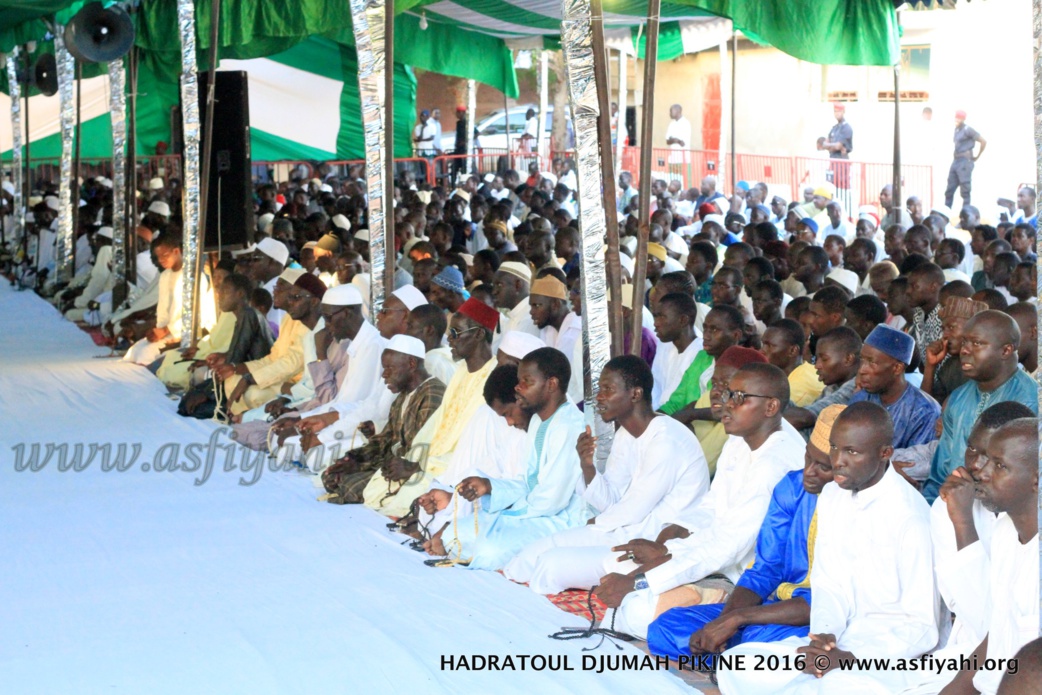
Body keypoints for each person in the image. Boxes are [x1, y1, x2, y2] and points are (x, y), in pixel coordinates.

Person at [717, 402, 939, 695]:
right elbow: (829, 585)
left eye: (852, 452)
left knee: (823, 688)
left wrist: (848, 658)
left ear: (885, 453)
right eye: (835, 448)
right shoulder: (833, 494)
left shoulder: (911, 517)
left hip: (888, 655)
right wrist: (824, 637)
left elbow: (923, 626)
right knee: (736, 664)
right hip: (839, 639)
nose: (838, 461)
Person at [594, 363, 805, 640]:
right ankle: (683, 595)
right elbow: (712, 508)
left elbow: (728, 547)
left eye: (739, 397)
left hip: (746, 579)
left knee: (637, 611)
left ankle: (712, 600)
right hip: (715, 555)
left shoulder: (775, 464)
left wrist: (641, 580)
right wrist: (670, 543)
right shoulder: (742, 438)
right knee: (615, 564)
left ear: (771, 407)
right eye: (727, 394)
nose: (726, 404)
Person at [648, 405, 844, 661]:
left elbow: (827, 603)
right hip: (774, 608)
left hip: (816, 619)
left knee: (758, 641)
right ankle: (739, 659)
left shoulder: (856, 509)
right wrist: (723, 623)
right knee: (666, 628)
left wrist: (738, 619)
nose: (808, 471)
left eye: (823, 467)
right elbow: (764, 569)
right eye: (808, 458)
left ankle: (741, 659)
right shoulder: (792, 487)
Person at [502, 355, 710, 594]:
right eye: (599, 389)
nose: (599, 397)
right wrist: (587, 466)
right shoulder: (625, 435)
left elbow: (634, 510)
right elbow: (610, 501)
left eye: (608, 389)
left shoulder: (666, 441)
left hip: (653, 543)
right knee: (529, 556)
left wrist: (598, 523)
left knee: (551, 565)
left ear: (635, 394)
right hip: (623, 529)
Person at [915, 402, 1036, 695]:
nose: (980, 470)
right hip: (976, 666)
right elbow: (993, 631)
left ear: (1036, 479)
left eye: (998, 464)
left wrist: (963, 522)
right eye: (974, 451)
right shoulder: (1008, 530)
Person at [432, 347, 586, 571]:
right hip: (532, 512)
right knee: (454, 535)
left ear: (551, 384)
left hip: (562, 518)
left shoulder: (569, 426)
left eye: (526, 382)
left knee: (489, 551)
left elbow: (552, 500)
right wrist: (490, 486)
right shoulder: (538, 421)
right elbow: (527, 482)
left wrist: (505, 515)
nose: (518, 388)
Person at [359, 297, 501, 517]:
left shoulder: (493, 379)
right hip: (432, 459)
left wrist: (419, 467)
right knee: (374, 491)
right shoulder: (461, 371)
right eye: (450, 333)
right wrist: (414, 460)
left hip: (460, 466)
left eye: (455, 333)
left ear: (479, 334)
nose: (449, 339)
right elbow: (436, 424)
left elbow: (473, 446)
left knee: (403, 503)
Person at [922, 310, 1038, 503]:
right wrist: (932, 506)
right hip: (951, 503)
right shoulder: (958, 398)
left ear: (1006, 351)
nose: (965, 351)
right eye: (965, 342)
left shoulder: (1031, 401)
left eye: (976, 343)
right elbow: (940, 473)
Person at [320, 335, 447, 505]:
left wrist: (367, 466)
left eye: (389, 368)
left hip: (412, 471)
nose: (384, 375)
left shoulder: (432, 394)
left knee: (350, 487)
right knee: (330, 477)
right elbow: (386, 439)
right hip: (391, 465)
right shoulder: (403, 396)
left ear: (411, 364)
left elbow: (417, 452)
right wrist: (355, 460)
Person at [848, 324, 940, 449]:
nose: (861, 370)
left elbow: (918, 458)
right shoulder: (861, 399)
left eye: (872, 362)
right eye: (862, 360)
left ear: (897, 368)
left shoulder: (925, 411)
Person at [659, 303, 742, 422]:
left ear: (736, 335)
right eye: (705, 328)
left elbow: (727, 408)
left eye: (714, 330)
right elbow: (677, 401)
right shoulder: (702, 357)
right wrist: (655, 419)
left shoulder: (741, 366)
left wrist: (690, 414)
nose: (706, 336)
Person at [122, 232, 183, 366]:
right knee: (133, 352)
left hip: (182, 333)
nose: (160, 260)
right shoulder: (165, 275)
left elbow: (196, 315)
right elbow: (162, 308)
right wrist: (157, 330)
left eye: (164, 255)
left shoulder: (191, 276)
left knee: (145, 355)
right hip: (164, 331)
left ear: (176, 251)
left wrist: (166, 330)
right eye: (158, 256)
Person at [921, 296, 989, 404]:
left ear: (973, 328)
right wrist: (930, 366)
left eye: (951, 327)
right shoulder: (951, 364)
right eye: (943, 329)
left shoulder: (988, 365)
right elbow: (927, 406)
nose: (945, 335)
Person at [760, 319, 824, 407]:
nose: (761, 351)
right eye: (763, 344)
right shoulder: (807, 369)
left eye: (769, 346)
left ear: (793, 350)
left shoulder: (797, 386)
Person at [944, 110, 986, 209]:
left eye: (959, 118)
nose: (957, 119)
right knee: (949, 190)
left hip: (965, 161)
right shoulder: (957, 130)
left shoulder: (968, 129)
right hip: (956, 160)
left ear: (963, 119)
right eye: (956, 117)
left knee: (965, 191)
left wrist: (977, 156)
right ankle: (946, 212)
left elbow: (983, 141)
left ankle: (966, 214)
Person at [906, 262, 945, 363]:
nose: (908, 291)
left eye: (914, 286)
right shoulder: (918, 313)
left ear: (933, 287)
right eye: (908, 286)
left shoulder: (945, 317)